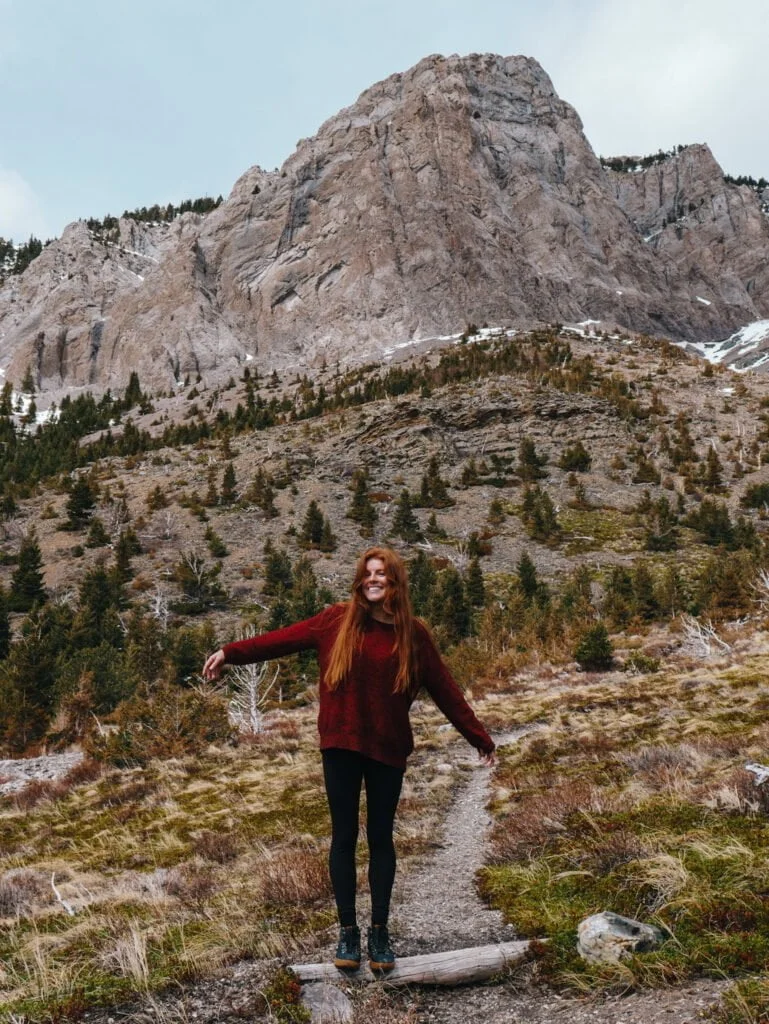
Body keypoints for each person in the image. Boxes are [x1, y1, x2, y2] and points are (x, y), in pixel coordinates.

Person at [203, 546, 495, 972]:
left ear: (396, 583)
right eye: (368, 574)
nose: (374, 580)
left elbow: (446, 689)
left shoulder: (414, 635)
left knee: (380, 838)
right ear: (361, 580)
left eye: (383, 575)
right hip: (340, 744)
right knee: (343, 837)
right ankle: (347, 934)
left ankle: (379, 933)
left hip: (388, 749)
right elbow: (280, 640)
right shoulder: (336, 621)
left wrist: (478, 738)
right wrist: (230, 652)